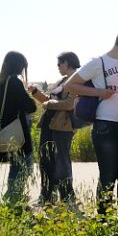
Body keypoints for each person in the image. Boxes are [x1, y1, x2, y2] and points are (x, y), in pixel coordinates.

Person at [64, 25, 118, 211]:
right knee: (108, 176)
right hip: (106, 125)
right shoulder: (98, 62)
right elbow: (70, 85)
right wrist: (97, 91)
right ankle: (104, 222)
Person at [29, 52, 81, 204]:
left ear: (67, 63)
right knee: (45, 160)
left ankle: (67, 197)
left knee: (61, 162)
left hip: (63, 127)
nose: (58, 67)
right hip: (49, 124)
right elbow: (48, 101)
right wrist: (35, 93)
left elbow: (70, 104)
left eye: (59, 64)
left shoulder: (77, 80)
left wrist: (49, 104)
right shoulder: (61, 81)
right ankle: (46, 196)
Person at [0, 51, 36, 202]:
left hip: (2, 131)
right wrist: (29, 95)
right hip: (15, 133)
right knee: (22, 165)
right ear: (19, 66)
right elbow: (30, 107)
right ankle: (14, 202)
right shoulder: (14, 82)